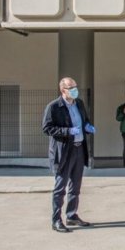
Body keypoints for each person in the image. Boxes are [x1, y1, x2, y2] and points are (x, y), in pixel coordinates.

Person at [42, 77, 95, 233]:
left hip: (79, 148)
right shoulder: (53, 107)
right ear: (62, 90)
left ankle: (71, 215)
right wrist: (67, 131)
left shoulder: (79, 104)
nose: (75, 90)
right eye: (71, 88)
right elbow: (47, 128)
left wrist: (87, 126)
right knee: (60, 187)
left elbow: (84, 120)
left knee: (75, 186)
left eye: (75, 87)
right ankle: (56, 220)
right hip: (64, 151)